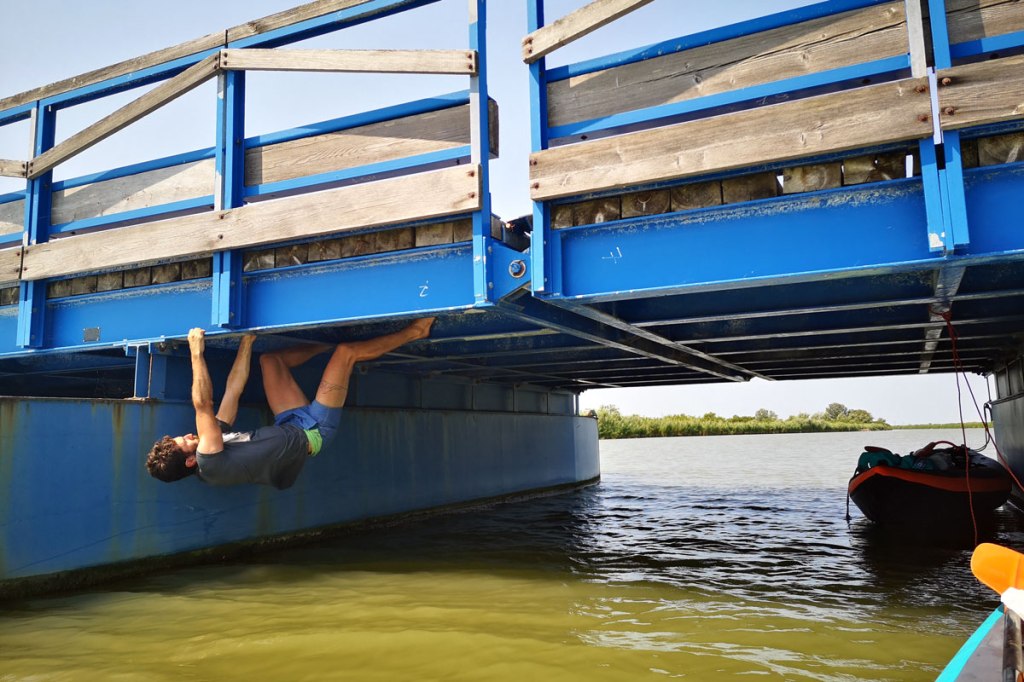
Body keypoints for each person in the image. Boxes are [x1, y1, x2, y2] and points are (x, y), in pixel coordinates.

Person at [145, 318, 435, 489]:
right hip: (314, 432)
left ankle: (327, 343)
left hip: (290, 422)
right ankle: (415, 332)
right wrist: (197, 352)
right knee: (347, 354)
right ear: (190, 460)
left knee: (270, 361)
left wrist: (248, 342)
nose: (187, 435)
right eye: (183, 442)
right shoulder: (209, 460)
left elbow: (233, 392)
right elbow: (203, 403)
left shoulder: (212, 450)